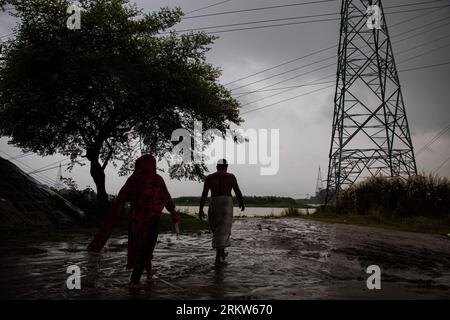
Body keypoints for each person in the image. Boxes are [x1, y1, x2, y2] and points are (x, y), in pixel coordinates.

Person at [87, 154, 179, 289]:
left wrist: (115, 216)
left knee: (140, 247)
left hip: (134, 221)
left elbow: (123, 197)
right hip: (151, 221)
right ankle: (134, 281)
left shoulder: (133, 180)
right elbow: (166, 198)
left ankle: (148, 272)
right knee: (146, 249)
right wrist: (173, 214)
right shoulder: (157, 180)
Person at [199, 159, 245, 266]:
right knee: (223, 230)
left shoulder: (209, 177)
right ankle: (217, 260)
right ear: (227, 167)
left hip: (214, 202)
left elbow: (204, 193)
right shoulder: (231, 177)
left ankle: (222, 255)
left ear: (217, 167)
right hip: (226, 203)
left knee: (217, 229)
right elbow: (237, 191)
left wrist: (201, 209)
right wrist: (241, 202)